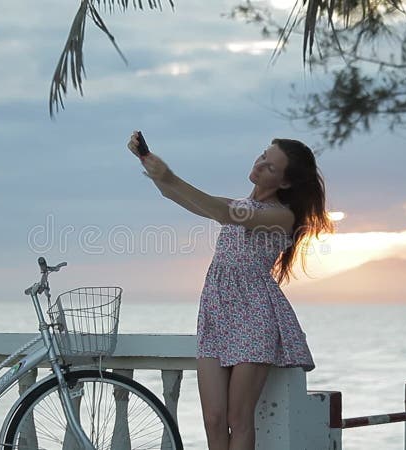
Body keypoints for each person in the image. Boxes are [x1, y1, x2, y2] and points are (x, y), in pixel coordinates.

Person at [126, 131, 334, 450]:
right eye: (264, 155)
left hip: (254, 314)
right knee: (213, 418)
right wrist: (148, 162)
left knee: (239, 418)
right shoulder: (239, 204)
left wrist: (170, 175)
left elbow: (222, 213)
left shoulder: (282, 216)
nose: (261, 163)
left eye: (271, 166)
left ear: (286, 183)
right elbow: (177, 196)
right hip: (216, 309)